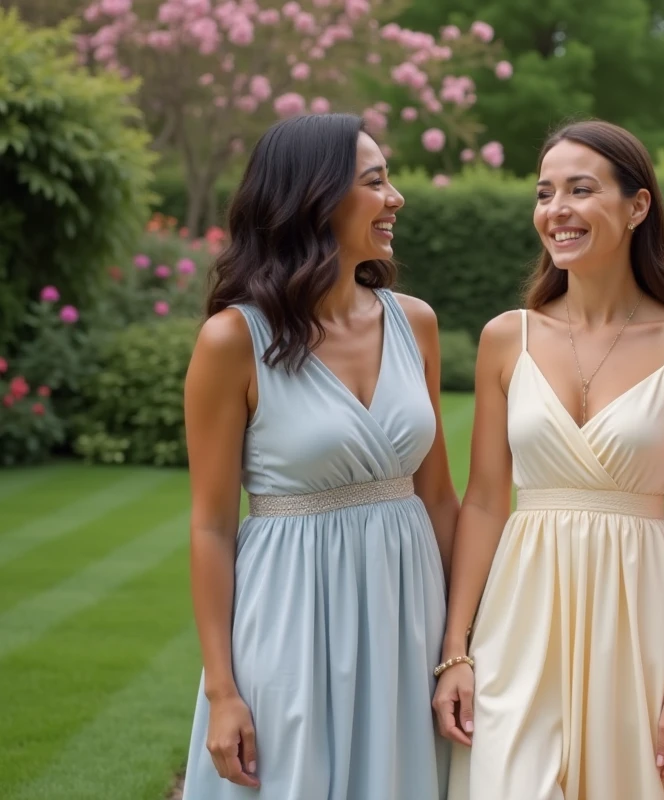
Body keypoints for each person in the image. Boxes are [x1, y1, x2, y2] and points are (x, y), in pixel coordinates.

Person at [433, 119, 664, 800]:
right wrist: (456, 651)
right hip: (520, 617)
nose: (556, 210)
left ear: (637, 206)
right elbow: (484, 502)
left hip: (640, 620)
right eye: (544, 194)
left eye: (580, 189)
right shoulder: (506, 338)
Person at [180, 113, 458, 800]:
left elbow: (439, 499)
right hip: (290, 618)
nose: (395, 198)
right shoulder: (232, 341)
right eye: (375, 182)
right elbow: (211, 526)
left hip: (408, 618)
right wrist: (222, 690)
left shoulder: (415, 323)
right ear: (315, 197)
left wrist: (462, 644)